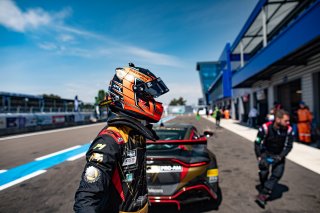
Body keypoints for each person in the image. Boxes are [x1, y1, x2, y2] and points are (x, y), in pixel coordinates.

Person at [74, 63, 169, 213]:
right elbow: (86, 198)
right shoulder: (110, 139)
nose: (153, 100)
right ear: (130, 94)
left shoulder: (135, 132)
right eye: (148, 95)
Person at [254, 109, 294, 208]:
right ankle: (264, 184)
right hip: (265, 153)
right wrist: (259, 156)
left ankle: (263, 194)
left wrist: (280, 157)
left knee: (277, 174)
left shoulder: (289, 130)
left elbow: (289, 146)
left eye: (288, 121)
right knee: (264, 172)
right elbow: (257, 143)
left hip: (278, 154)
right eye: (286, 121)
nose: (288, 123)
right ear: (278, 119)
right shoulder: (265, 128)